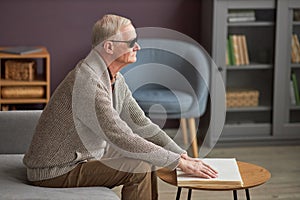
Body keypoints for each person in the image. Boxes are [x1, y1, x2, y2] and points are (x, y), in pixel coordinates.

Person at [23, 14, 217, 200]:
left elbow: (140, 123)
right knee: (140, 167)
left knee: (148, 159)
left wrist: (180, 153)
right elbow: (122, 136)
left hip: (85, 156)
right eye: (131, 42)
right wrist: (178, 163)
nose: (138, 47)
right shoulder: (87, 83)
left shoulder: (115, 78)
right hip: (55, 170)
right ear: (109, 47)